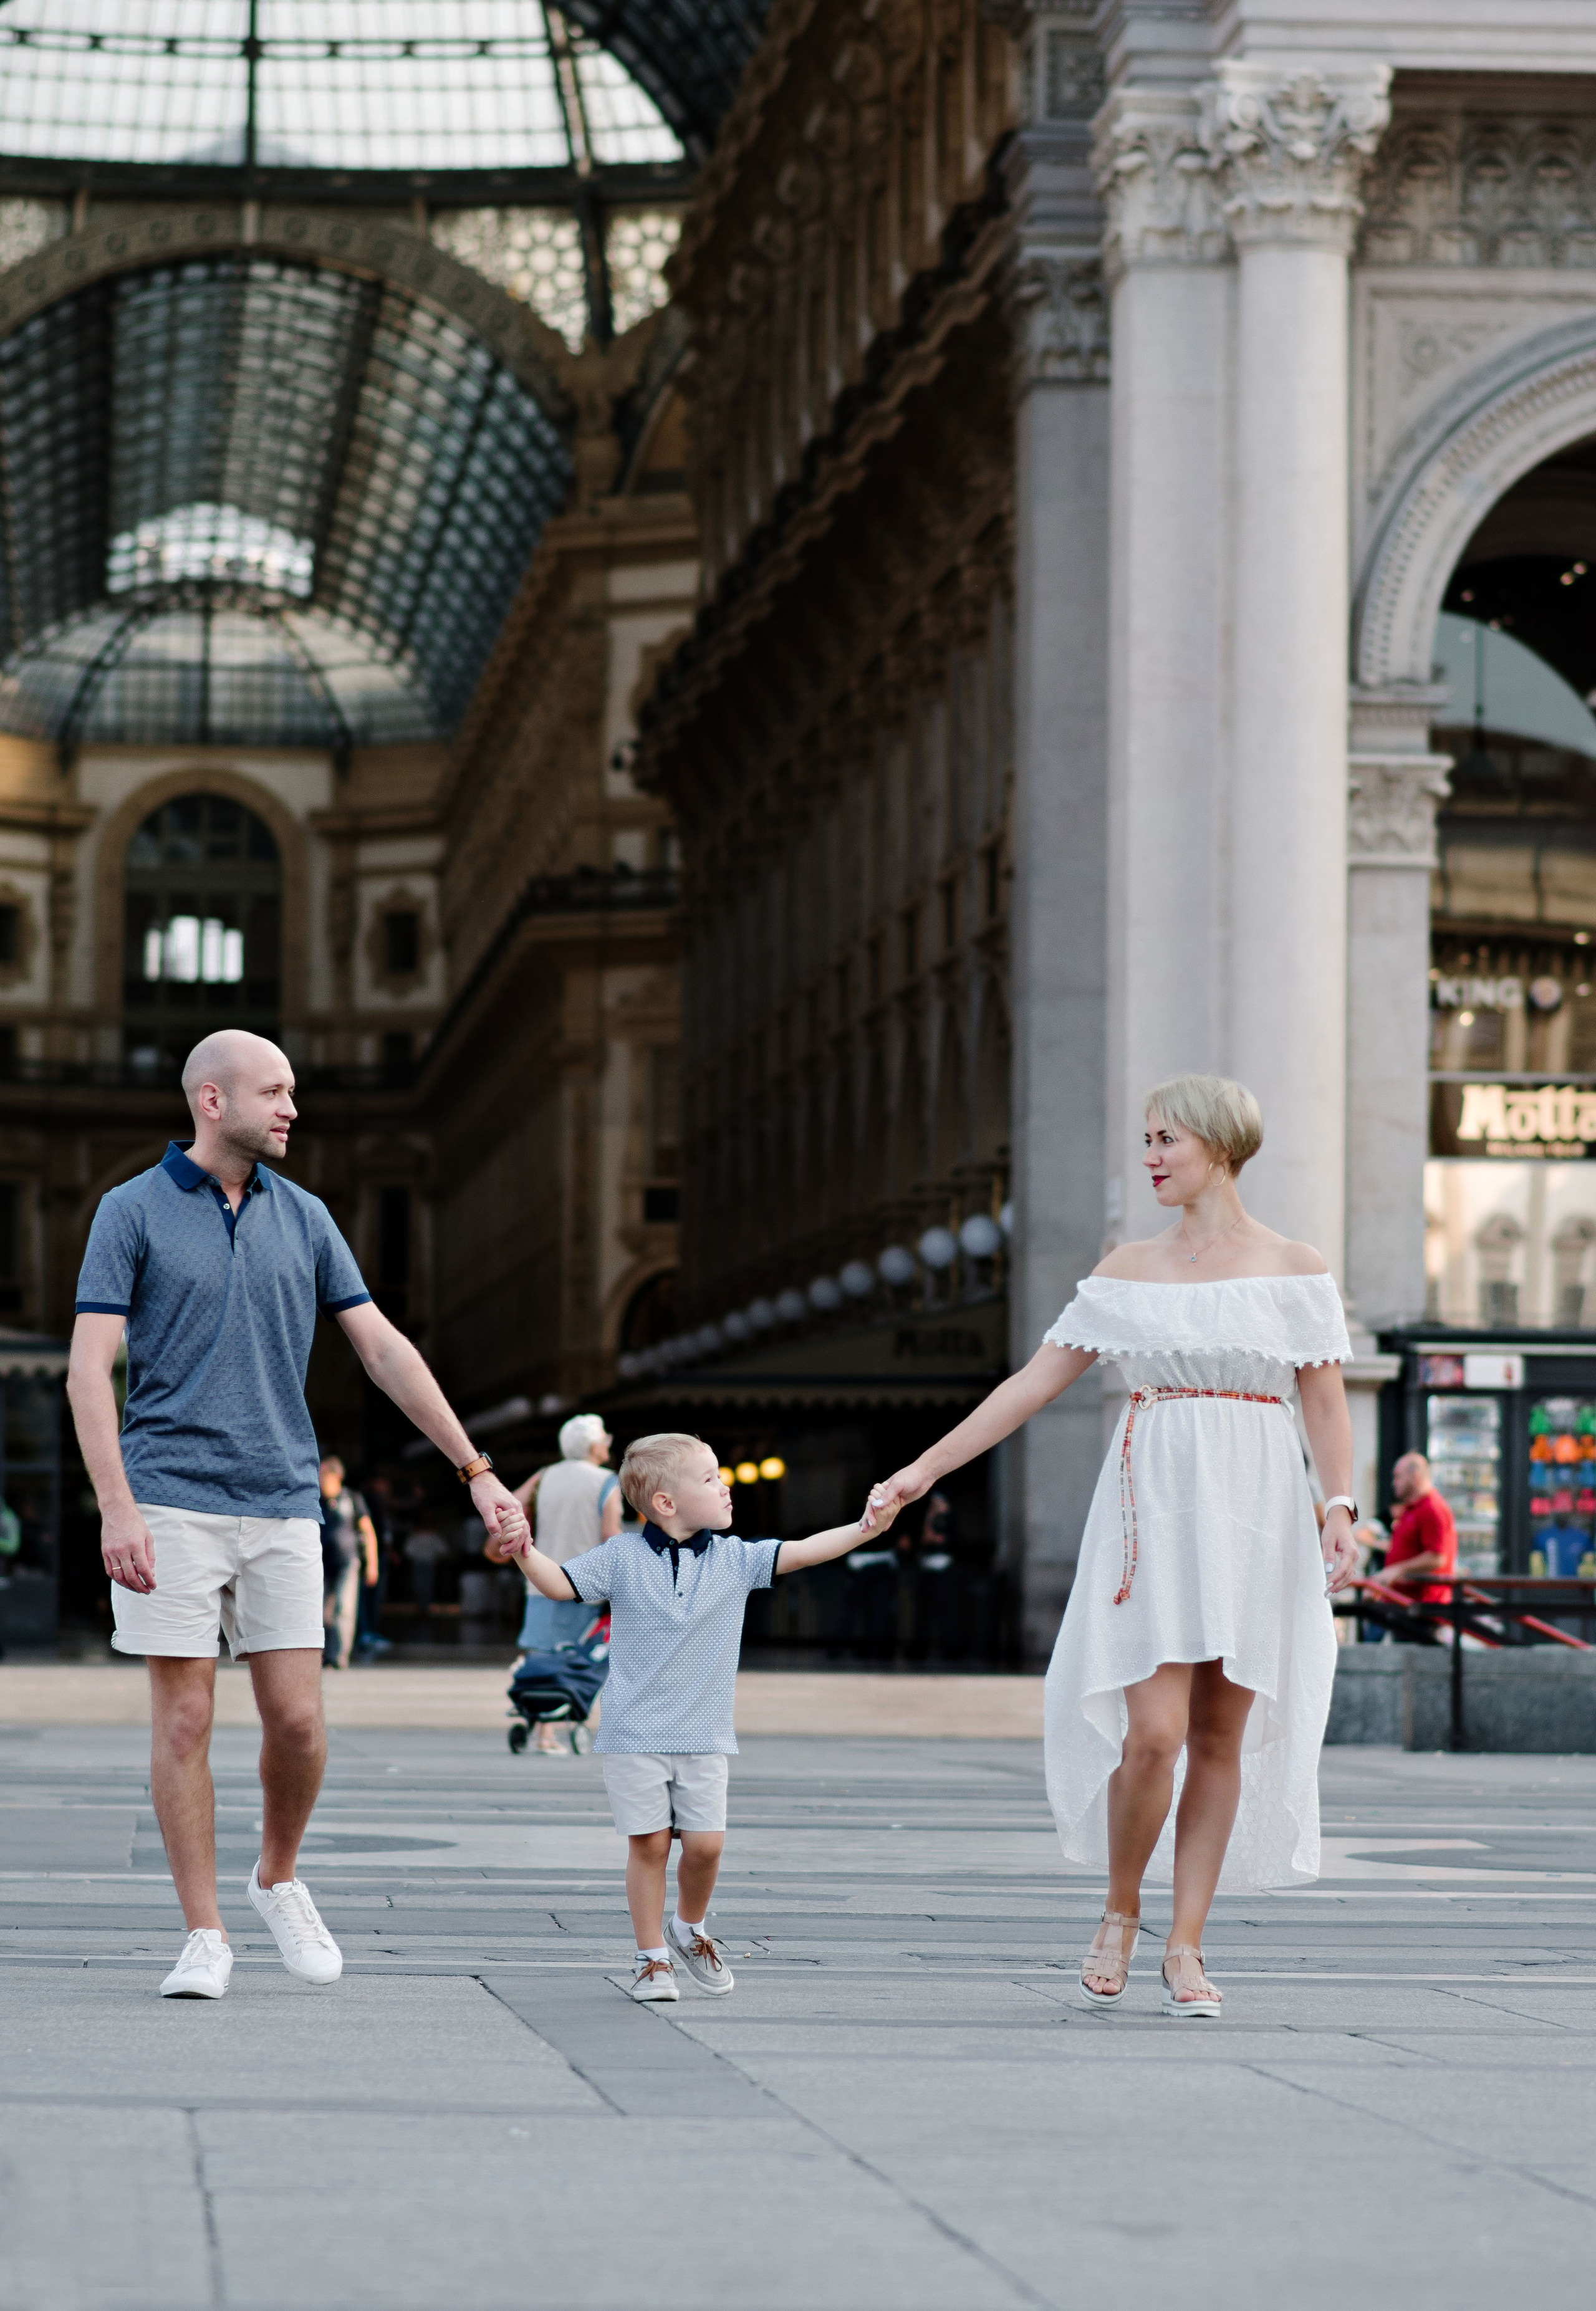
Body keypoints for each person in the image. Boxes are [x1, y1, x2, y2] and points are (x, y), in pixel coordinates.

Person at [867, 1075, 1357, 2020]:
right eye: (1147, 1139)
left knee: (1221, 1734)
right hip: (1156, 1507)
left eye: (1165, 1138)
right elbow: (1031, 1382)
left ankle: (1187, 1943)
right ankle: (1121, 1910)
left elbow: (1326, 1402)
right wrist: (921, 1470)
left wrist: (1339, 1504)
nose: (1151, 1156)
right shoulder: (1129, 1268)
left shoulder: (1296, 1266)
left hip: (1258, 1508)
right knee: (1156, 1734)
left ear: (1217, 1143)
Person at [67, 1029, 529, 2003]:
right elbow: (87, 1369)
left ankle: (277, 1874)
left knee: (301, 1723)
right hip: (169, 1495)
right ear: (210, 1100)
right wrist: (117, 1505)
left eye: (292, 1092)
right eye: (273, 1092)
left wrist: (476, 1469)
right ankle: (205, 1931)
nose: (291, 1109)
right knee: (185, 1713)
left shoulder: (309, 1215)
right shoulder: (131, 1210)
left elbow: (386, 1351)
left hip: (281, 1498)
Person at [493, 1429, 897, 2002]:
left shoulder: (738, 1559)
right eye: (710, 1478)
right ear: (665, 1503)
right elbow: (561, 1584)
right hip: (634, 1733)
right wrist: (526, 1551)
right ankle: (652, 1957)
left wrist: (865, 1529)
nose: (726, 1484)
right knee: (649, 1846)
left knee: (705, 1846)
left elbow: (804, 1549)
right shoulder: (622, 1557)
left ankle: (688, 1926)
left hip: (705, 1734)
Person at [511, 1413, 622, 1750]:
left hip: (541, 1580)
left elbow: (513, 1502)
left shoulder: (545, 1476)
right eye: (605, 1439)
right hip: (584, 1585)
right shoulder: (606, 1480)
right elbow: (611, 1535)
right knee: (579, 1656)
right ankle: (566, 1725)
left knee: (543, 1654)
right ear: (592, 1446)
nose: (607, 1444)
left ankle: (542, 1729)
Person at [1382, 1451, 1459, 1636]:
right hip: (1405, 1606)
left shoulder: (1432, 1508)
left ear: (1415, 1477)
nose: (1394, 1483)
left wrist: (1398, 1570)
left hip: (1422, 1611)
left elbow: (1437, 1557)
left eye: (1398, 1477)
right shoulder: (1413, 1507)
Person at [319, 1454, 377, 1670]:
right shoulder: (315, 1499)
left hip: (347, 1561)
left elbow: (368, 1532)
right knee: (321, 1611)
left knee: (344, 1608)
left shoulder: (352, 1498)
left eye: (324, 1475)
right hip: (320, 1562)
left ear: (336, 1477)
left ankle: (339, 1656)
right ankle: (323, 1655)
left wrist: (372, 1563)